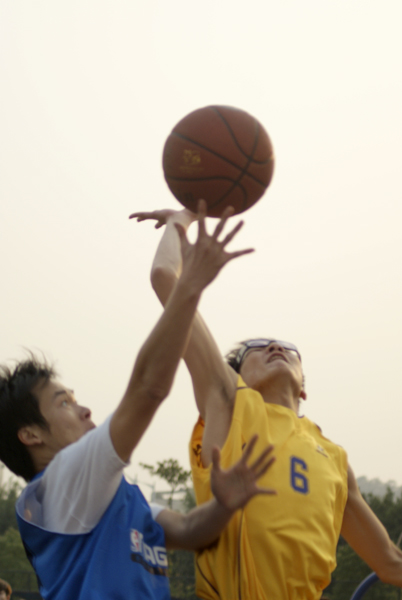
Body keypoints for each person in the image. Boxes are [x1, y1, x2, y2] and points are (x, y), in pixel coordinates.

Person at [0, 203, 277, 600]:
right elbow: (148, 388)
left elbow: (188, 531)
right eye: (63, 403)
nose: (84, 409)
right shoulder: (63, 481)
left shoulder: (106, 494)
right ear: (30, 435)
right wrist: (188, 286)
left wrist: (224, 505)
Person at [132, 206, 402, 600]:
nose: (274, 346)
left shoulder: (335, 460)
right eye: (256, 348)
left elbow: (390, 564)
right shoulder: (228, 401)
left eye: (287, 348)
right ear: (237, 375)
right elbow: (164, 278)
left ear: (304, 388)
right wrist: (181, 220)